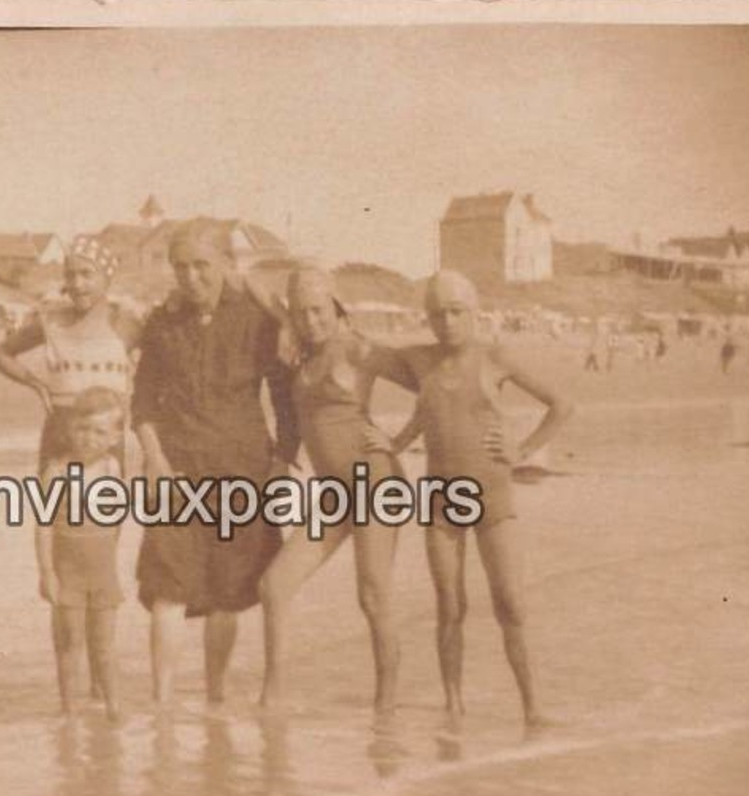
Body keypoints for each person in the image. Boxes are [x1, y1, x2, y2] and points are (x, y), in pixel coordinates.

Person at [395, 271, 573, 733]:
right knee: (449, 604)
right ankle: (453, 705)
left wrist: (523, 449)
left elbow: (561, 405)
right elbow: (371, 363)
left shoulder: (494, 356)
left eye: (456, 311)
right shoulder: (419, 361)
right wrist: (393, 442)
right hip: (440, 499)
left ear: (473, 312)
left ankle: (532, 707)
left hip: (492, 495)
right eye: (437, 313)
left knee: (510, 602)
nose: (447, 321)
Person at [131, 220, 298, 705]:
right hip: (176, 471)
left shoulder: (257, 320)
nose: (191, 277)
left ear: (226, 264)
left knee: (227, 593)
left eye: (201, 265)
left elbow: (286, 400)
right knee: (168, 589)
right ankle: (162, 704)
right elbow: (141, 400)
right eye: (180, 267)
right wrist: (154, 458)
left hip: (242, 470)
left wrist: (283, 464)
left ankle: (215, 699)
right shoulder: (163, 322)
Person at [259, 266, 424, 715]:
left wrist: (402, 440)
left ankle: (385, 703)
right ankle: (273, 694)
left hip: (375, 482)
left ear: (334, 304)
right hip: (332, 492)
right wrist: (280, 462)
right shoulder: (297, 359)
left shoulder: (358, 349)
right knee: (274, 586)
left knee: (372, 595)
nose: (311, 321)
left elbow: (429, 380)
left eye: (318, 310)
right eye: (301, 313)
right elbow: (294, 423)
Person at [0, 234, 141, 467]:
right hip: (60, 435)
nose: (77, 284)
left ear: (107, 278)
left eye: (87, 274)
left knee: (105, 502)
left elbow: (162, 365)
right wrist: (37, 384)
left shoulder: (126, 324)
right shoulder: (51, 322)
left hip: (105, 442)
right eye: (70, 275)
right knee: (55, 500)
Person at [36, 387, 126, 719]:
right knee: (69, 644)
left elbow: (116, 521)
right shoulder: (57, 471)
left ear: (115, 436)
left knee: (104, 646)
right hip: (67, 573)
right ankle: (69, 709)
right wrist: (46, 572)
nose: (89, 438)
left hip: (103, 574)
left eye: (100, 431)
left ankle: (114, 707)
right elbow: (43, 526)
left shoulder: (112, 469)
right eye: (82, 428)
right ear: (70, 428)